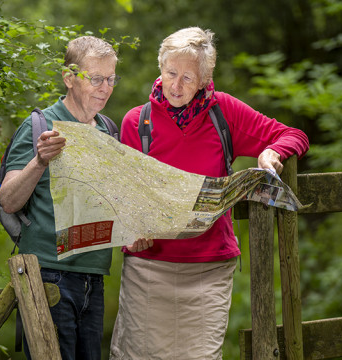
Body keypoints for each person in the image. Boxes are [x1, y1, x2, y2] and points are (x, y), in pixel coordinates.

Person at [110, 27, 309, 359]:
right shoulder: (136, 122)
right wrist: (130, 232)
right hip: (149, 271)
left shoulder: (223, 112)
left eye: (188, 78)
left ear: (203, 79)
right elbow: (122, 197)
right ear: (160, 67)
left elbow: (293, 134)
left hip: (208, 271)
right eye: (171, 73)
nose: (176, 85)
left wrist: (273, 152)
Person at [0, 36, 149, 360]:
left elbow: (111, 202)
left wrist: (133, 229)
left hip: (93, 279)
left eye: (111, 79)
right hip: (47, 276)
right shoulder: (40, 124)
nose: (105, 88)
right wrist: (39, 161)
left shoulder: (108, 130)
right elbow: (9, 200)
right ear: (69, 78)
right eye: (96, 78)